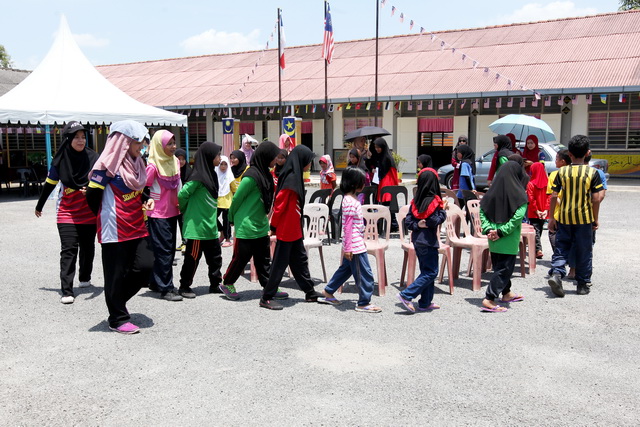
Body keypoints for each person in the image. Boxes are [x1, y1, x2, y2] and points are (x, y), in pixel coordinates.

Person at [85, 120, 154, 334]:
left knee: (146, 266)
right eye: (138, 142)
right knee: (115, 273)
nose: (142, 146)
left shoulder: (137, 163)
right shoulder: (106, 167)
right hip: (114, 228)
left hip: (137, 224)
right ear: (123, 142)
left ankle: (116, 301)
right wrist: (105, 216)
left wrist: (146, 199)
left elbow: (139, 190)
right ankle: (117, 318)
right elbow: (92, 195)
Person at [35, 121, 98, 304]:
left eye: (83, 137)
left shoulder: (94, 158)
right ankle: (67, 290)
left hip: (89, 213)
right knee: (69, 250)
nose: (81, 140)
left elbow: (102, 182)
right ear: (68, 139)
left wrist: (92, 190)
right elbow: (50, 184)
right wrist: (39, 205)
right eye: (76, 137)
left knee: (88, 248)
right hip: (67, 212)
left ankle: (85, 277)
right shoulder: (60, 160)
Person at [219, 141, 289, 301]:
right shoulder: (250, 177)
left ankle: (269, 287)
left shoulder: (266, 175)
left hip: (260, 225)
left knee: (264, 260)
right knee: (241, 258)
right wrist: (231, 218)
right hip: (246, 225)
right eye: (274, 157)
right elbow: (236, 199)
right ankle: (227, 283)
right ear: (265, 157)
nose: (275, 160)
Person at [260, 145, 322, 310]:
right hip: (287, 229)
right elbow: (279, 205)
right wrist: (273, 226)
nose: (310, 164)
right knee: (279, 264)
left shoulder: (295, 176)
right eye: (309, 161)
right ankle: (266, 297)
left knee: (299, 261)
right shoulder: (291, 179)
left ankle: (310, 292)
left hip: (294, 228)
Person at [547, 135, 605, 297]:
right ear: (587, 153)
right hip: (584, 218)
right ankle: (582, 284)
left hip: (564, 217)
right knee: (584, 250)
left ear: (570, 154)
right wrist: (595, 218)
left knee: (561, 247)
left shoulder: (562, 172)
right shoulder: (593, 173)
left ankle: (557, 273)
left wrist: (551, 218)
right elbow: (596, 198)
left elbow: (553, 196)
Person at [318, 167, 382, 312]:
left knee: (346, 270)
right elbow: (347, 227)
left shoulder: (351, 199)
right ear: (354, 184)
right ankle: (364, 303)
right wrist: (348, 248)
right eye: (362, 181)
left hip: (355, 243)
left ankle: (328, 292)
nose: (364, 184)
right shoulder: (349, 201)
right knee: (365, 274)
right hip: (354, 246)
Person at [479, 161, 529, 312]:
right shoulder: (520, 196)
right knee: (504, 269)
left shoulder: (490, 193)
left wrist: (489, 230)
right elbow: (516, 219)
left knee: (499, 266)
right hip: (507, 239)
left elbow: (482, 212)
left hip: (493, 239)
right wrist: (501, 232)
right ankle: (489, 298)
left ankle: (506, 293)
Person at [396, 167, 447, 314]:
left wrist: (417, 224)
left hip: (418, 240)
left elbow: (408, 221)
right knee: (431, 272)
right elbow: (434, 221)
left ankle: (425, 302)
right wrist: (443, 211)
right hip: (429, 241)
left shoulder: (416, 201)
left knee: (426, 271)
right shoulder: (435, 201)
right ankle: (406, 295)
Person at [177, 142, 223, 298]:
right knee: (192, 258)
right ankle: (184, 286)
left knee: (215, 258)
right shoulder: (197, 177)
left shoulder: (212, 175)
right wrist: (185, 210)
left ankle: (215, 284)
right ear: (208, 157)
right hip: (197, 228)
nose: (220, 158)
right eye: (217, 155)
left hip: (210, 226)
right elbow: (182, 194)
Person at [145, 130, 182, 301]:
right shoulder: (152, 166)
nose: (173, 147)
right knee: (164, 250)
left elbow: (178, 184)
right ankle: (166, 288)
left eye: (174, 143)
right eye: (169, 144)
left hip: (173, 211)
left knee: (168, 249)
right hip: (158, 213)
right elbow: (143, 189)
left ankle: (156, 282)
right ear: (160, 146)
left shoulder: (175, 161)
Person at [546, 149, 571, 254]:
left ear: (563, 161)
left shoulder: (554, 174)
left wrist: (551, 216)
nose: (555, 161)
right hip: (575, 213)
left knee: (553, 234)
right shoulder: (577, 173)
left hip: (558, 213)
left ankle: (559, 255)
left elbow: (553, 195)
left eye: (556, 159)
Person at [526, 162, 549, 259]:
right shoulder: (548, 183)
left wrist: (536, 211)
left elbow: (531, 199)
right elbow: (549, 198)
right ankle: (537, 249)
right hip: (544, 212)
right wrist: (546, 210)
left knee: (536, 230)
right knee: (539, 229)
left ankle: (538, 249)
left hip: (534, 212)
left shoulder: (531, 184)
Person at [175, 148, 192, 251]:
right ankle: (183, 241)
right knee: (179, 222)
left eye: (183, 159)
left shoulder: (189, 172)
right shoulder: (173, 171)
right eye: (178, 159)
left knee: (185, 221)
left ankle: (187, 243)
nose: (181, 161)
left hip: (186, 202)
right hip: (175, 202)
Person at [372, 137, 399, 203]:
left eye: (378, 147)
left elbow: (393, 171)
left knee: (386, 202)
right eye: (375, 147)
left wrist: (396, 184)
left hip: (387, 182)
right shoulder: (379, 156)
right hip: (381, 181)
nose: (376, 149)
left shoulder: (388, 157)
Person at [216, 156, 234, 247]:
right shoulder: (216, 174)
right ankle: (221, 232)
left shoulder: (230, 175)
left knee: (226, 220)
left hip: (227, 201)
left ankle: (227, 238)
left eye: (225, 164)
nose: (223, 166)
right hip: (217, 200)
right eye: (221, 164)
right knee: (213, 217)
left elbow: (234, 188)